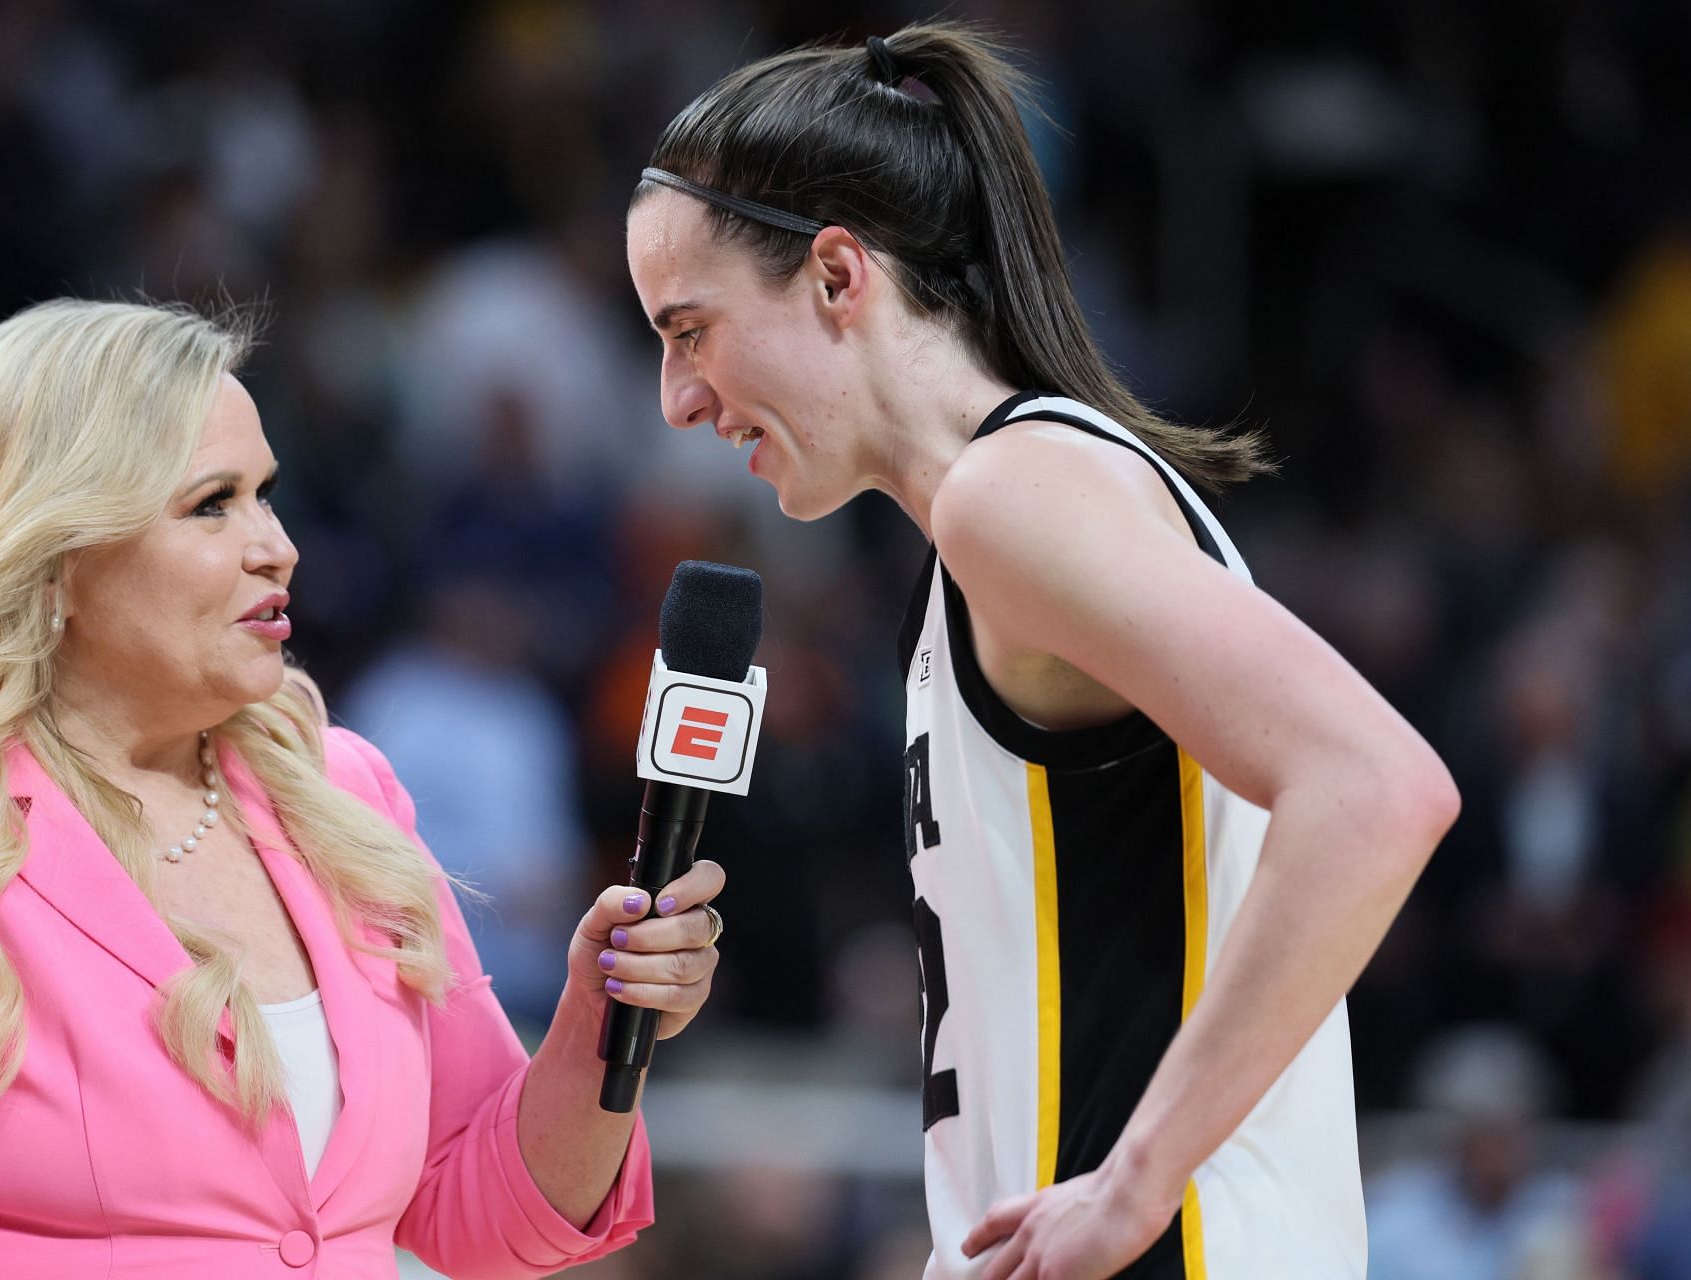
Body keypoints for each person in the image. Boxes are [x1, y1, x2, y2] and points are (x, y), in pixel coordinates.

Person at [625, 22, 1458, 1280]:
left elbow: (1378, 787)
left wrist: (1136, 1179)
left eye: (690, 329)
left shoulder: (1009, 495)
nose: (678, 398)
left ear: (839, 276)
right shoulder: (993, 521)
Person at [0, 299, 726, 1278]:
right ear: (53, 558)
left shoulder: (344, 790)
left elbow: (478, 1215)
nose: (278, 546)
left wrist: (596, 1018)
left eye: (266, 493)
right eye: (211, 503)